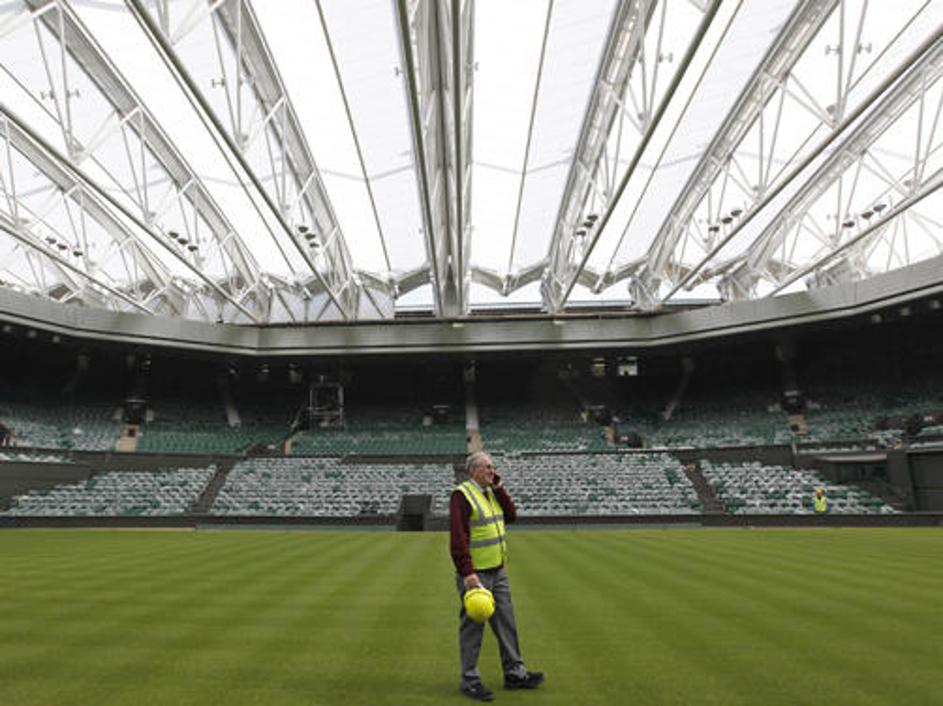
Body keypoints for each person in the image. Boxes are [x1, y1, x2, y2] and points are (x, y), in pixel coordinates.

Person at [450, 451, 544, 702]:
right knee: (473, 628)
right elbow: (458, 539)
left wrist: (500, 487)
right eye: (487, 467)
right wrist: (467, 573)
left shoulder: (491, 492)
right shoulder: (462, 495)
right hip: (476, 575)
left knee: (507, 623)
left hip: (498, 570)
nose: (492, 471)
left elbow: (511, 516)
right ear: (473, 471)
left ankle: (515, 672)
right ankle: (469, 680)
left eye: (493, 467)